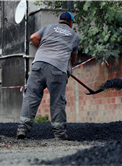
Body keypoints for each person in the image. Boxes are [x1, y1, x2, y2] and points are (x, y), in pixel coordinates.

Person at [17, 11, 79, 140]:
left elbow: (33, 37)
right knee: (57, 100)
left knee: (31, 96)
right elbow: (73, 58)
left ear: (59, 21)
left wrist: (43, 51)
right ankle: (59, 133)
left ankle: (22, 128)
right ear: (71, 23)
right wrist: (68, 68)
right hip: (57, 69)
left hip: (38, 65)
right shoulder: (74, 36)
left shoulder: (48, 28)